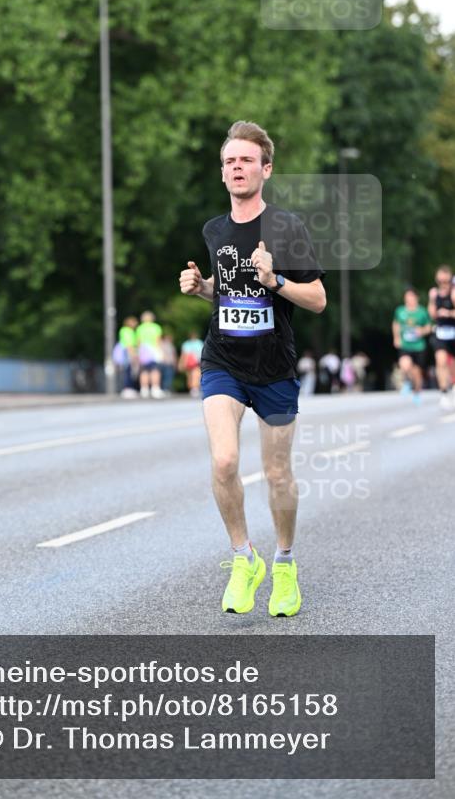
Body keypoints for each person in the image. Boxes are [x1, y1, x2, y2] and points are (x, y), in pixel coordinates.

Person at [179, 120, 325, 618]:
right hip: (223, 361)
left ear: (266, 168)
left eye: (245, 160)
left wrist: (275, 278)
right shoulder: (214, 231)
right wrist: (202, 288)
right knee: (223, 462)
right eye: (229, 161)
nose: (236, 167)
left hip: (274, 368)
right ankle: (244, 558)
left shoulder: (287, 229)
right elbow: (229, 291)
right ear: (222, 174)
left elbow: (318, 299)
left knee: (277, 472)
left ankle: (283, 564)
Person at [392, 288, 431, 405]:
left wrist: (422, 331)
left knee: (418, 373)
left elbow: (429, 327)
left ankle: (417, 392)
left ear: (416, 298)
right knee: (405, 365)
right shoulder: (400, 311)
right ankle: (408, 382)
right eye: (407, 297)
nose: (409, 299)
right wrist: (396, 337)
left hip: (419, 346)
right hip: (405, 345)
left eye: (411, 297)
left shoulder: (422, 312)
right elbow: (396, 324)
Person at [427, 264, 455, 409]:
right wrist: (432, 300)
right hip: (441, 332)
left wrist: (449, 313)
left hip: (453, 330)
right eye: (440, 281)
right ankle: (444, 392)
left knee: (453, 365)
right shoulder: (434, 293)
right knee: (440, 361)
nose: (443, 284)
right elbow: (432, 314)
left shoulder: (454, 293)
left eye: (446, 281)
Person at [135, 311, 165, 399]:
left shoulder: (139, 328)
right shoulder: (156, 327)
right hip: (153, 350)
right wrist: (160, 351)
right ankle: (155, 389)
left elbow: (138, 342)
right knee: (155, 370)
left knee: (144, 371)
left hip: (143, 351)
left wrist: (139, 353)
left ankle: (144, 389)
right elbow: (158, 340)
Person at [116, 316, 139, 398]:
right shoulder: (127, 331)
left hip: (128, 352)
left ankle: (129, 388)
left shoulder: (129, 331)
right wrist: (133, 355)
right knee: (128, 371)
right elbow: (129, 344)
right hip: (127, 353)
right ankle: (127, 388)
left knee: (129, 371)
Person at [179, 331, 205, 397]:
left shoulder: (197, 343)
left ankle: (194, 388)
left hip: (195, 362)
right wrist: (181, 363)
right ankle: (193, 388)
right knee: (191, 376)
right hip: (190, 362)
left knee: (195, 375)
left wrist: (181, 363)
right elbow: (184, 355)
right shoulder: (198, 343)